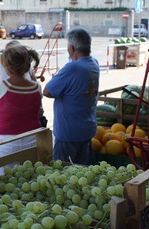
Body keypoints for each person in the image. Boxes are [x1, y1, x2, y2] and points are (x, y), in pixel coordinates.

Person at [43, 27, 100, 165]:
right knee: (81, 173)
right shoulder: (94, 63)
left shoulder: (73, 68)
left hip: (69, 133)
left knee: (63, 174)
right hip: (86, 129)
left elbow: (47, 91)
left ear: (72, 48)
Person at [0, 45, 43, 167]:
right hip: (32, 139)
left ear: (7, 67)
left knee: (3, 180)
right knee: (28, 177)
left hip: (4, 143)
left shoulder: (0, 85)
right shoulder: (36, 87)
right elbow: (36, 110)